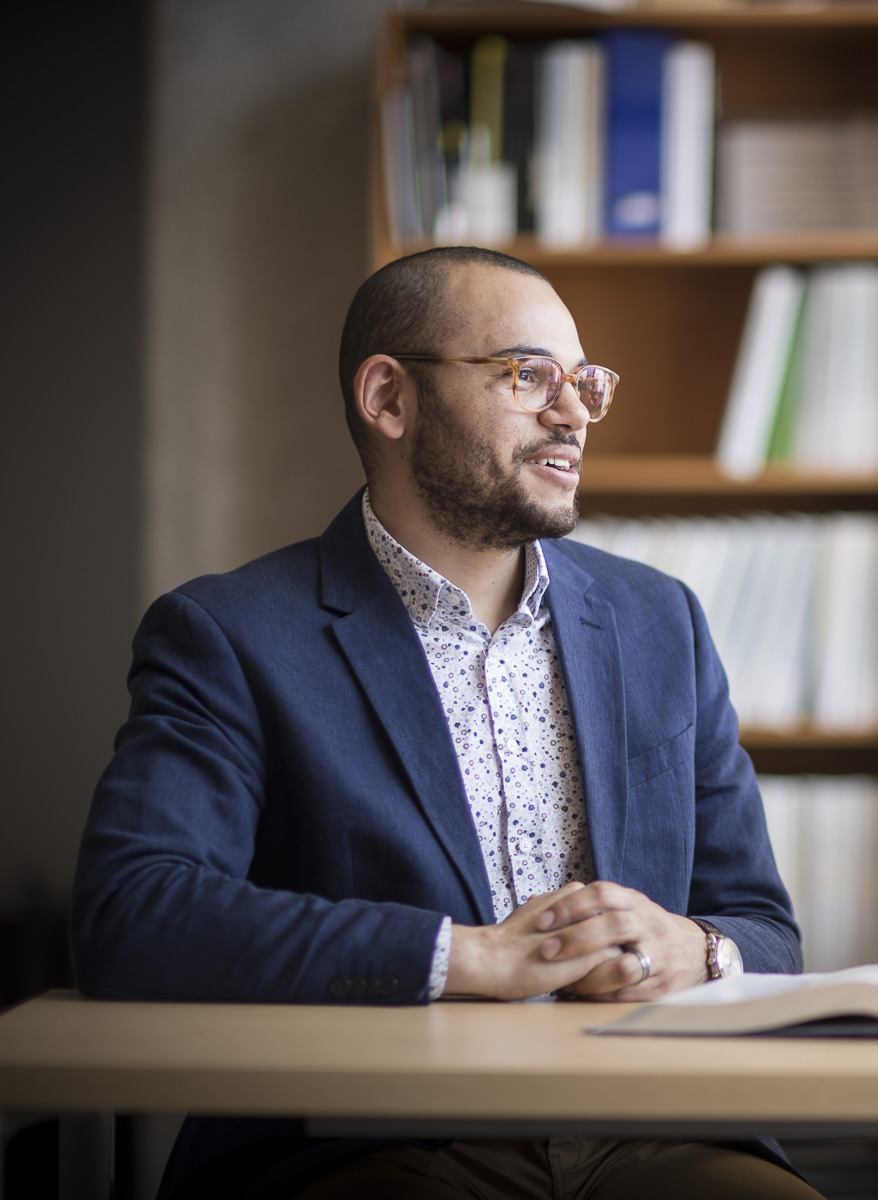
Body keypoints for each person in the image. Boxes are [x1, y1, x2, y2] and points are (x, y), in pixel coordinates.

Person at [72, 246, 821, 1200]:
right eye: (529, 375)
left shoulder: (658, 621)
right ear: (388, 398)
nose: (574, 413)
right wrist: (470, 957)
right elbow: (133, 913)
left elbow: (765, 928)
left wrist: (696, 949)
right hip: (370, 1137)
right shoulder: (228, 634)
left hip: (651, 1129)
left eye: (586, 382)